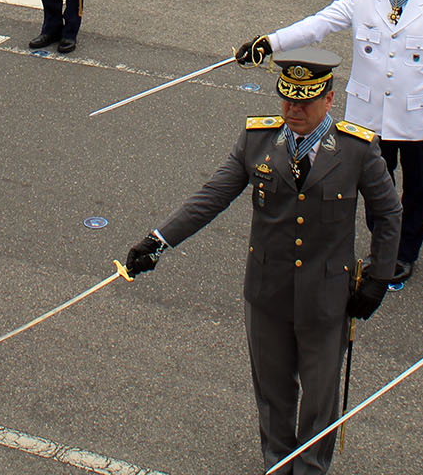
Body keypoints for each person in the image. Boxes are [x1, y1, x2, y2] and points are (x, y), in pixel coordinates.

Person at [122, 51, 400, 475]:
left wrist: (378, 276)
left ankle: (309, 468)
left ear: (329, 99)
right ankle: (277, 462)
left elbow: (389, 213)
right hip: (267, 291)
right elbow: (212, 195)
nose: (294, 110)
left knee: (321, 396)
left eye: (305, 102)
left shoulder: (356, 150)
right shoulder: (257, 140)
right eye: (287, 100)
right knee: (272, 393)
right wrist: (158, 242)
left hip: (326, 298)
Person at [238, 0, 423, 285]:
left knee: (417, 189)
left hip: (416, 117)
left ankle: (406, 253)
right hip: (369, 115)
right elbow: (319, 25)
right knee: (376, 188)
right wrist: (270, 42)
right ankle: (383, 247)